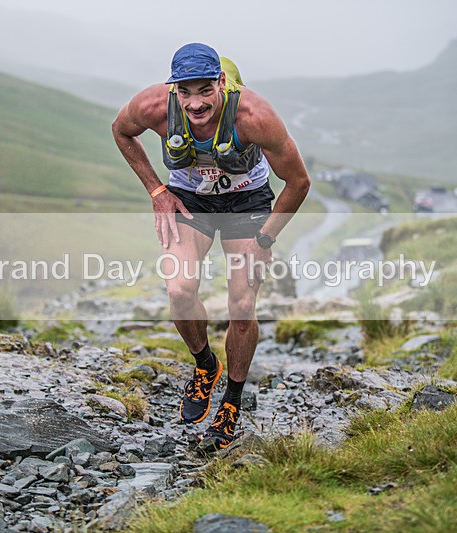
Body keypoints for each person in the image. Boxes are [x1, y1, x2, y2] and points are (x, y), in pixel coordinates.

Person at [112, 43, 310, 450]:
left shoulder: (254, 117)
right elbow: (121, 131)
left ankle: (232, 402)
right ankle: (206, 366)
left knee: (241, 305)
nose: (195, 103)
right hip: (191, 199)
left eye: (205, 90)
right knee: (180, 291)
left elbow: (299, 182)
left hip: (247, 201)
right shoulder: (152, 105)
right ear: (174, 90)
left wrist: (265, 237)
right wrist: (156, 190)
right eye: (185, 92)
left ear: (222, 82)